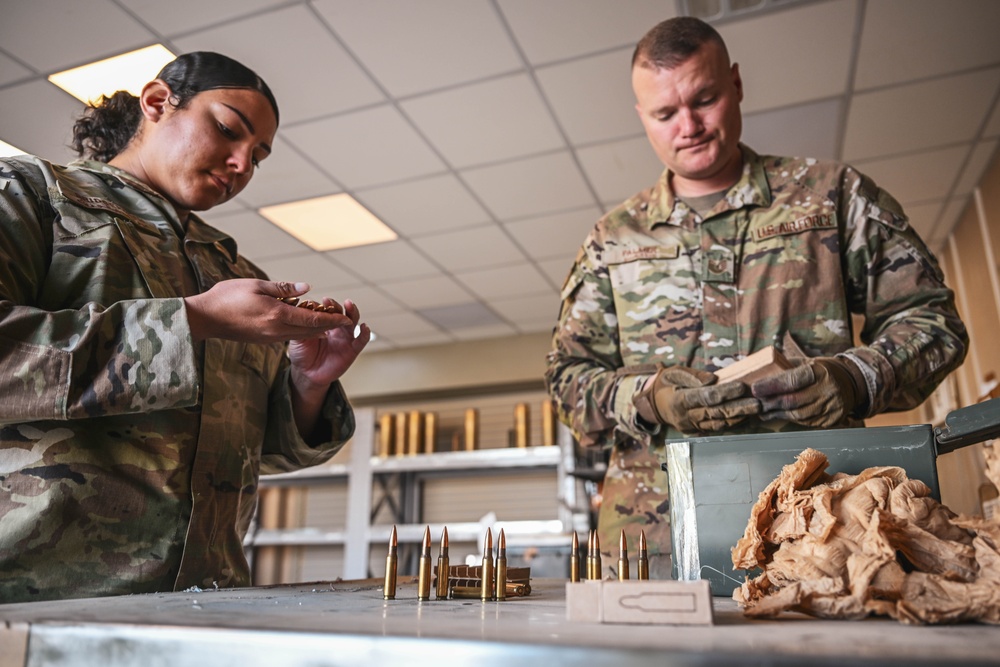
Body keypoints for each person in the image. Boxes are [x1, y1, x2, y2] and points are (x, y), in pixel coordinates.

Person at [545, 17, 968, 580]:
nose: (688, 126)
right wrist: (647, 398)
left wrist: (853, 378)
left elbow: (933, 321)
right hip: (654, 545)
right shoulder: (613, 240)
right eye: (664, 113)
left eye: (705, 99)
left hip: (823, 527)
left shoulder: (830, 196)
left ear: (737, 84)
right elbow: (567, 376)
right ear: (642, 116)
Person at [0, 52, 370, 603]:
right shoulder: (32, 196)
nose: (242, 164)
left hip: (207, 602)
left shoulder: (238, 276)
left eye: (258, 156)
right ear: (155, 103)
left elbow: (266, 453)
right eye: (227, 129)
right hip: (39, 599)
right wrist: (193, 320)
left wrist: (307, 387)